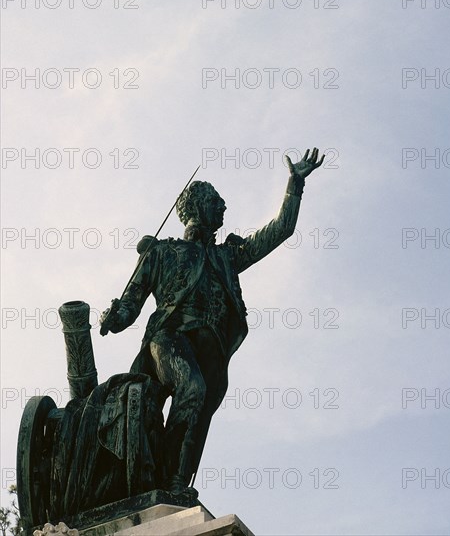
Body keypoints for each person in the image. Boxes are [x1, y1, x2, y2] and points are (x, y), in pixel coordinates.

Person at [100, 147, 325, 494]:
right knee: (192, 388)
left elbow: (280, 230)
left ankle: (174, 482)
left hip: (213, 352)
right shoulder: (161, 252)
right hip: (169, 339)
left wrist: (294, 187)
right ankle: (160, 479)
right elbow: (130, 305)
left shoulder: (227, 256)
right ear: (197, 206)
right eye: (216, 201)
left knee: (200, 412)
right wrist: (113, 317)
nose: (223, 207)